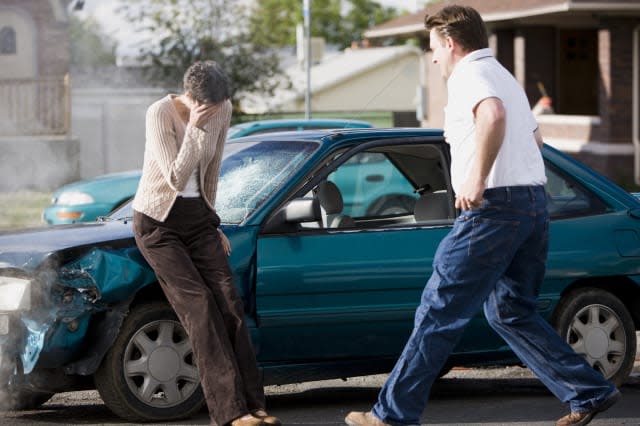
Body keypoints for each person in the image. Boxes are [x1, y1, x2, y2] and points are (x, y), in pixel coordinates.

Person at [345, 5, 620, 426]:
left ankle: (391, 415)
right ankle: (589, 390)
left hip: (493, 209)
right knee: (510, 311)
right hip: (530, 203)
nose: (433, 56)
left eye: (434, 47)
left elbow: (492, 116)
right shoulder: (503, 76)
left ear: (451, 44)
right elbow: (536, 137)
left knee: (439, 309)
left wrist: (476, 177)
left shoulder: (469, 76)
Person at [132, 60, 280, 426]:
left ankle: (254, 404)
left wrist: (213, 223)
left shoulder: (222, 107)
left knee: (230, 302)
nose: (217, 113)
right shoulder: (160, 113)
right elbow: (174, 177)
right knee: (198, 308)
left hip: (198, 219)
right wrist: (195, 130)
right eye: (209, 108)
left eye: (219, 107)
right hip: (158, 223)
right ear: (192, 98)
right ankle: (231, 413)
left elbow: (210, 172)